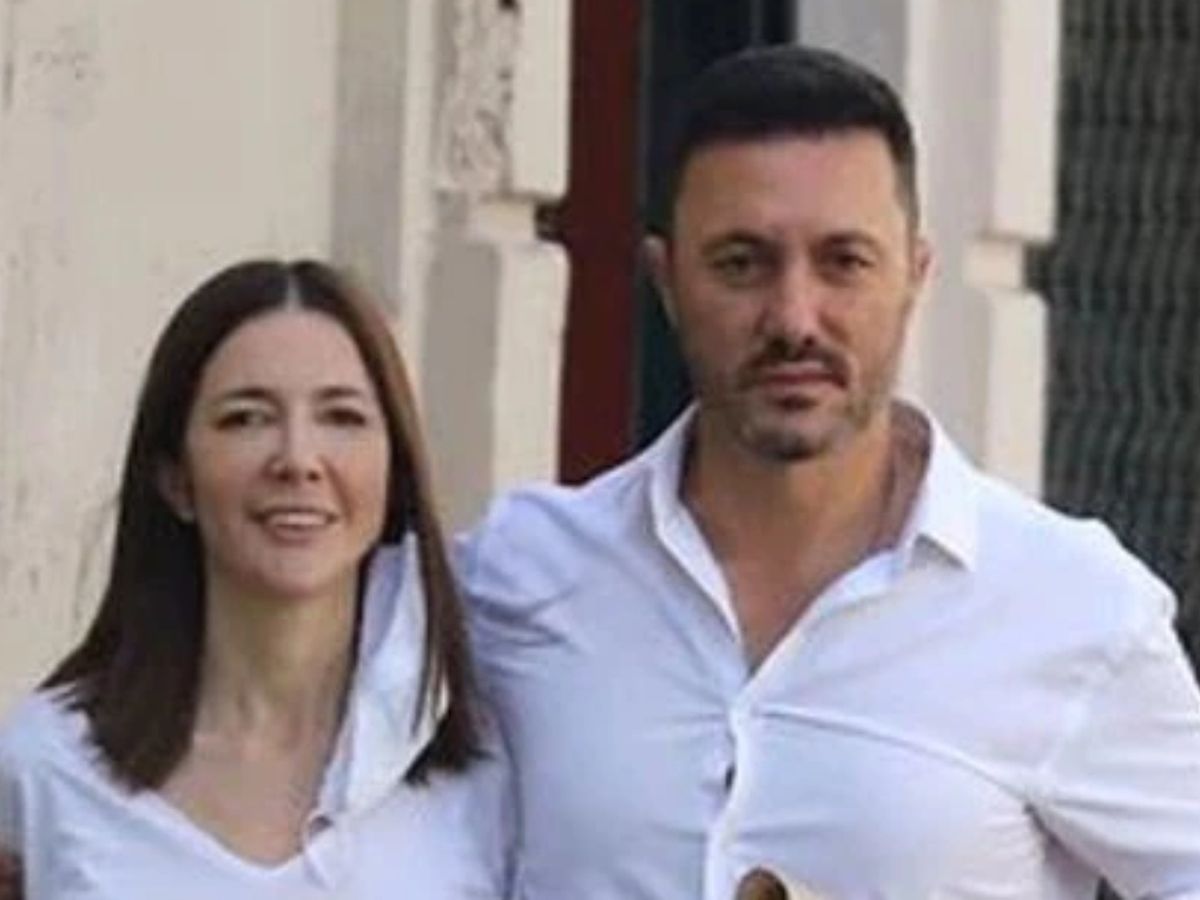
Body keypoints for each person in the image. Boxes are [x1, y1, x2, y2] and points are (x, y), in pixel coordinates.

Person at [456, 45, 1200, 897]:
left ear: (914, 275)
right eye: (741, 263)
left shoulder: (1070, 604)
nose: (794, 318)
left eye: (844, 261)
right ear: (667, 281)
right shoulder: (518, 576)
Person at [0, 260, 510, 898]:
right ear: (175, 478)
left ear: (394, 472)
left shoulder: (485, 772)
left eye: (341, 417)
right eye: (246, 418)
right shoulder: (46, 768)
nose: (298, 460)